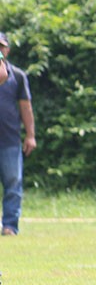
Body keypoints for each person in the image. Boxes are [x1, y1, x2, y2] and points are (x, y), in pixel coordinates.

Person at [0, 32, 37, 236]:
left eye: (1, 46)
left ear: (8, 49)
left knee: (13, 182)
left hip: (9, 138)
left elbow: (26, 107)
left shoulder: (17, 75)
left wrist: (30, 135)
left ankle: (10, 226)